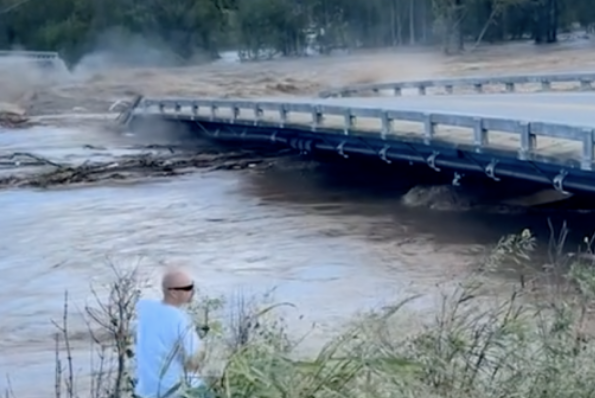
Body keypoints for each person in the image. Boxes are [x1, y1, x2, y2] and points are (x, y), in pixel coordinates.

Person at [134, 267, 207, 398]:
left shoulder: (146, 310)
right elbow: (194, 356)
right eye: (188, 288)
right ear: (173, 292)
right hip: (172, 390)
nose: (193, 291)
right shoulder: (179, 318)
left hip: (144, 391)